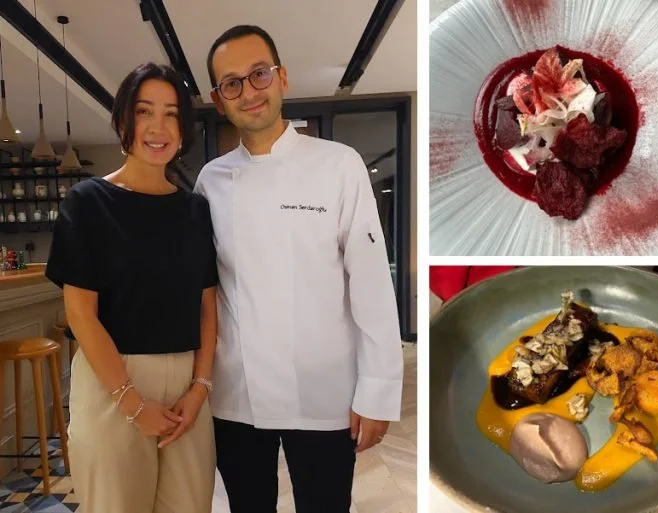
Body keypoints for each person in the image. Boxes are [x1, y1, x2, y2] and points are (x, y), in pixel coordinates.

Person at [195, 25, 404, 512]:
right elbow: (204, 288)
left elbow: (370, 284)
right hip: (236, 394)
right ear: (218, 98)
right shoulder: (211, 180)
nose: (248, 91)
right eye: (232, 83)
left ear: (281, 78)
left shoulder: (339, 165)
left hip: (325, 392)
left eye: (258, 74)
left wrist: (378, 390)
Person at [45, 63, 218, 513]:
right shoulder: (87, 202)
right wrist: (134, 404)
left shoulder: (196, 210)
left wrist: (200, 387)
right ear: (124, 121)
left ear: (183, 127)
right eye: (144, 112)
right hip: (112, 384)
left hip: (187, 390)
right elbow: (81, 315)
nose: (158, 128)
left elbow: (207, 308)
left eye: (171, 114)